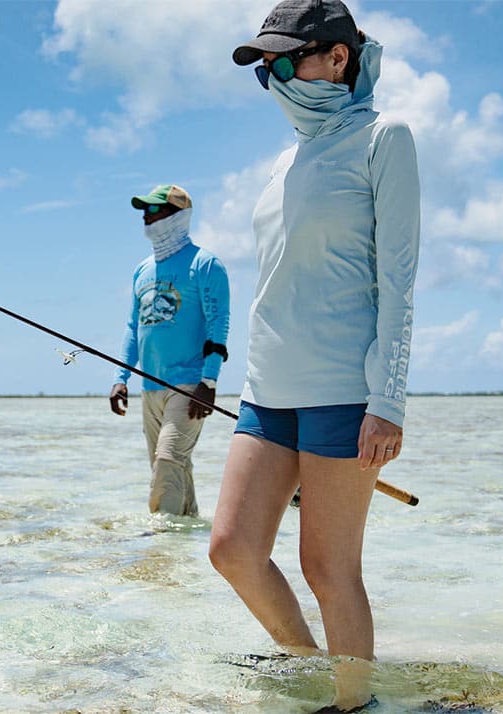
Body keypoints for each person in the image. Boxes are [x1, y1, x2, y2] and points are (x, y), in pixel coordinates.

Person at [208, 1, 420, 712]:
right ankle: (308, 678)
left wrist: (386, 401)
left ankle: (355, 702)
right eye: (265, 63)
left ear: (338, 58)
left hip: (343, 392)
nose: (272, 73)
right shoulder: (282, 159)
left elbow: (400, 278)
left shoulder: (384, 137)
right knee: (231, 549)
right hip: (266, 393)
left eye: (286, 57)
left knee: (328, 567)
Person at [110, 184, 231, 517]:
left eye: (155, 210)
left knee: (167, 462)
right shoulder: (142, 269)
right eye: (144, 212)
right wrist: (121, 378)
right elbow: (132, 328)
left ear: (180, 214)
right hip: (150, 388)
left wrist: (209, 382)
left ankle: (160, 544)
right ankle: (187, 543)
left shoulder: (205, 264)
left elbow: (218, 325)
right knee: (173, 469)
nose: (147, 218)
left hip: (190, 385)